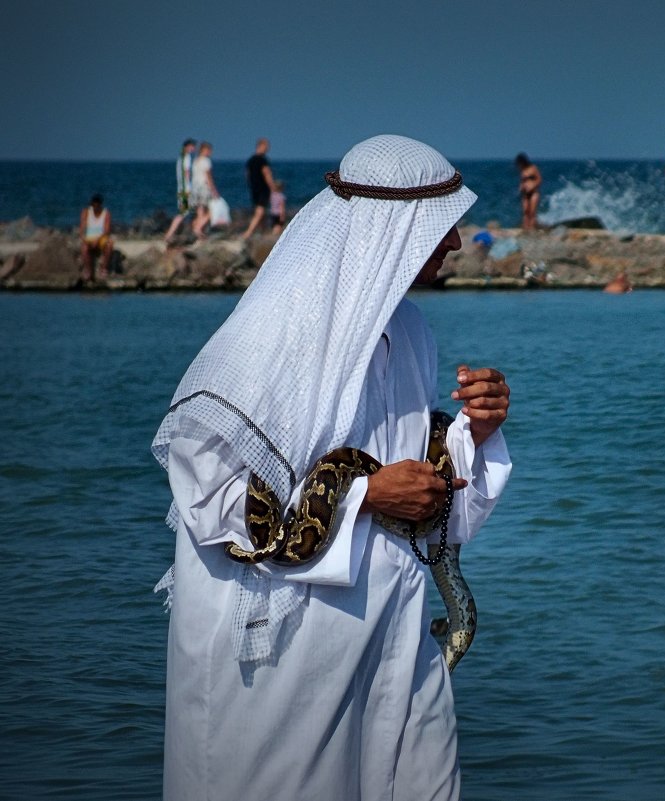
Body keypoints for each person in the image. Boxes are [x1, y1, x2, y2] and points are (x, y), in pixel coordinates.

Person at [152, 134, 512, 801]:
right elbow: (208, 493)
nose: (457, 244)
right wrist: (367, 493)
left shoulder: (409, 334)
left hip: (392, 639)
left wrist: (476, 433)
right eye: (443, 227)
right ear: (390, 231)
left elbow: (426, 507)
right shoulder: (269, 335)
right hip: (284, 661)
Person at [242, 137, 277, 239]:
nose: (268, 149)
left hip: (254, 188)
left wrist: (250, 184)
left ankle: (263, 231)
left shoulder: (250, 160)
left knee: (260, 210)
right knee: (260, 210)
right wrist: (273, 187)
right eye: (267, 146)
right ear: (261, 146)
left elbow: (247, 174)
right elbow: (267, 174)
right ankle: (248, 232)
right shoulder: (262, 160)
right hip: (262, 188)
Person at [164, 139, 196, 243]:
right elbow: (187, 173)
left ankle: (194, 231)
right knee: (184, 213)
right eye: (192, 146)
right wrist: (191, 187)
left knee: (190, 211)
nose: (193, 148)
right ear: (187, 147)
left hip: (182, 189)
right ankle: (169, 233)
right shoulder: (186, 157)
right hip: (185, 190)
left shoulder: (180, 158)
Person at [79, 193, 113, 281]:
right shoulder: (86, 212)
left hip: (101, 238)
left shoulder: (106, 213)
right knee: (84, 247)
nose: (95, 208)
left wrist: (97, 240)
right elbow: (82, 228)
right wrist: (84, 238)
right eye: (94, 205)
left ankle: (103, 269)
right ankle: (88, 270)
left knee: (109, 244)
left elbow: (107, 230)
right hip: (89, 238)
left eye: (97, 206)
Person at [189, 142, 219, 240]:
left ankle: (198, 231)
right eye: (209, 150)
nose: (211, 152)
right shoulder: (206, 161)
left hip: (195, 188)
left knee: (200, 211)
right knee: (212, 210)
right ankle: (198, 228)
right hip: (204, 188)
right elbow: (208, 177)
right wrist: (214, 191)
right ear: (204, 150)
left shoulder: (196, 161)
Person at [514, 152, 541, 230]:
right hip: (525, 193)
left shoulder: (533, 168)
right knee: (525, 211)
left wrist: (533, 186)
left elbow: (539, 179)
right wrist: (521, 187)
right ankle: (525, 228)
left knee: (532, 212)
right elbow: (522, 181)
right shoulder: (522, 171)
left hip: (533, 192)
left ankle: (532, 228)